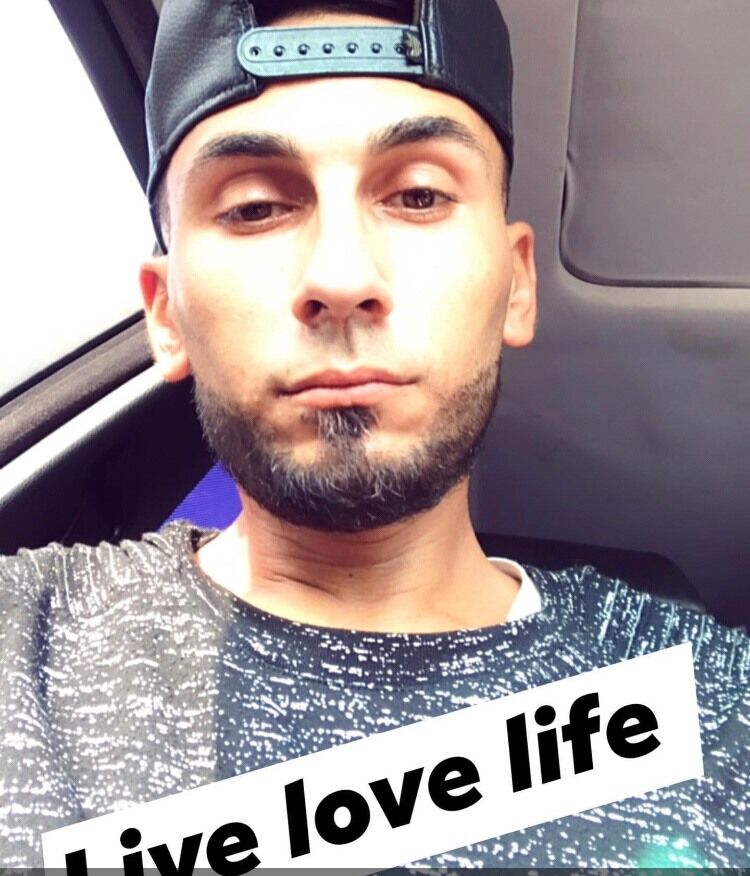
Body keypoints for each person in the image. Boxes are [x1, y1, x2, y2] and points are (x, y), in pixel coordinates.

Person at [1, 0, 748, 868]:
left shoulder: (713, 699)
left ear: (516, 285)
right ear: (166, 316)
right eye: (253, 208)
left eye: (419, 195)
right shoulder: (21, 647)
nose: (341, 276)